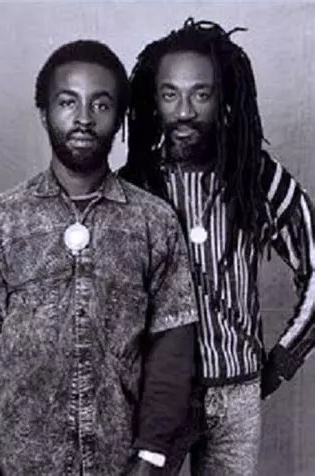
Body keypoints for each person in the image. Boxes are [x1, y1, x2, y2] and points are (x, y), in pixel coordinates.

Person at [0, 39, 198, 476]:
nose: (84, 118)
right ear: (44, 113)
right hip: (20, 464)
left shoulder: (154, 222)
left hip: (120, 463)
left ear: (120, 118)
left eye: (100, 105)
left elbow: (172, 346)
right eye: (68, 102)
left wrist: (151, 453)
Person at [120, 18, 315, 475]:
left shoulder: (256, 176)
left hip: (238, 395)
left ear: (223, 96)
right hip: (156, 398)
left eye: (201, 94)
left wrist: (285, 358)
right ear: (153, 100)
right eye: (171, 94)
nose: (185, 110)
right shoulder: (133, 186)